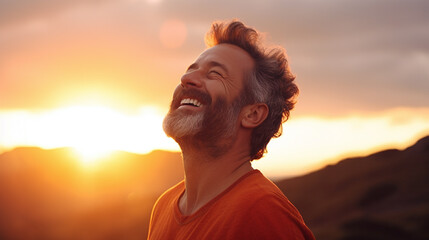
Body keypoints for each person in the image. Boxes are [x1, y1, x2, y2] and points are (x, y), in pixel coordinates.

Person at [147, 19, 315, 240]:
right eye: (191, 70)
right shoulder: (164, 205)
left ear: (252, 114)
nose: (186, 79)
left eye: (214, 74)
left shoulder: (263, 214)